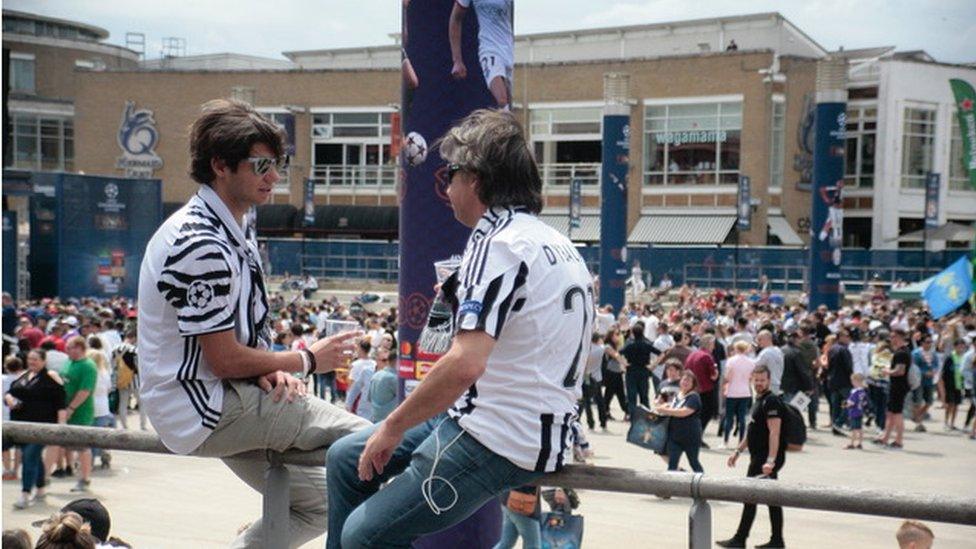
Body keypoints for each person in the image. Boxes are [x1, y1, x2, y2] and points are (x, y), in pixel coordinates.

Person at [325, 109, 593, 548]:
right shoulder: (553, 240)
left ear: (478, 179)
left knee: (364, 536)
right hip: (519, 422)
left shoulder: (498, 244)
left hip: (499, 435)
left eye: (451, 173)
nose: (445, 188)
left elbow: (465, 364)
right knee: (344, 459)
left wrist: (391, 426)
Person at [137, 98, 370, 547]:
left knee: (321, 502)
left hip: (207, 403)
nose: (275, 177)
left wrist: (269, 367)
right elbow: (222, 359)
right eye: (261, 165)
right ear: (220, 165)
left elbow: (231, 342)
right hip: (207, 407)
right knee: (377, 442)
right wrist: (305, 359)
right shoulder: (201, 240)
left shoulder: (227, 226)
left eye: (277, 164)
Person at [717, 365, 787, 549]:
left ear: (769, 380)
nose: (759, 383)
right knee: (768, 499)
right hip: (758, 457)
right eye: (756, 380)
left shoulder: (771, 401)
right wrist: (738, 451)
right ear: (752, 379)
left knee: (754, 497)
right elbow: (753, 430)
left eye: (762, 380)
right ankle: (774, 540)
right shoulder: (759, 400)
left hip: (765, 459)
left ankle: (742, 539)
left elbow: (774, 433)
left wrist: (770, 461)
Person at [6, 349, 65, 509]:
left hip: (42, 427)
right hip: (21, 427)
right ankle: (40, 488)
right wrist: (9, 398)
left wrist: (61, 427)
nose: (32, 362)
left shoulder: (50, 377)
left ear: (44, 361)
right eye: (30, 359)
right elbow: (10, 392)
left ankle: (25, 493)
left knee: (29, 456)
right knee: (34, 458)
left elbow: (61, 402)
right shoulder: (24, 376)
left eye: (36, 359)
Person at [449, 0, 514, 109]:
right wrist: (457, 61)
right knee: (502, 100)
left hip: (508, 49)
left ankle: (501, 123)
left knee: (509, 101)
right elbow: (456, 18)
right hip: (489, 48)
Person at [62, 336, 97, 493]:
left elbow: (85, 391)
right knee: (69, 444)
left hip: (81, 412)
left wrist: (71, 408)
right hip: (65, 409)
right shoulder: (69, 362)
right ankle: (70, 469)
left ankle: (85, 478)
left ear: (79, 348)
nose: (67, 350)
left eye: (70, 347)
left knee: (82, 447)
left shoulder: (88, 366)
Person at [655, 370, 704, 473]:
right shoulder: (678, 395)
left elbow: (684, 412)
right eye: (684, 380)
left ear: (693, 384)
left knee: (693, 462)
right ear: (680, 381)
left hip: (690, 437)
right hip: (675, 436)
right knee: (672, 463)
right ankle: (672, 487)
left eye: (689, 381)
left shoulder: (694, 397)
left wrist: (665, 410)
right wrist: (663, 406)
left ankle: (704, 484)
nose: (685, 382)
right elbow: (673, 407)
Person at [875, 330, 911, 449]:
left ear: (899, 337)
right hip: (896, 386)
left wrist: (887, 371)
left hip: (899, 386)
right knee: (890, 413)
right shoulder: (902, 351)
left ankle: (898, 441)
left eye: (893, 337)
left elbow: (900, 371)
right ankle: (885, 437)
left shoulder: (901, 353)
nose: (891, 339)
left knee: (897, 414)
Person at [620, 321, 658, 419]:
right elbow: (661, 353)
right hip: (644, 370)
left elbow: (618, 353)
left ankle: (633, 417)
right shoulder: (647, 344)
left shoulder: (629, 345)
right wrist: (653, 365)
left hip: (631, 370)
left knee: (632, 397)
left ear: (633, 333)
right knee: (644, 396)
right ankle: (645, 416)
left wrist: (624, 363)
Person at [721, 340, 755, 448]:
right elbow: (751, 377)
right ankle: (741, 441)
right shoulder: (751, 362)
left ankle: (725, 441)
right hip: (745, 391)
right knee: (742, 418)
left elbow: (728, 377)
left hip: (732, 391)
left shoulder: (731, 361)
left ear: (736, 349)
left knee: (729, 418)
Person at [86, 338, 114, 469]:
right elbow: (109, 389)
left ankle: (89, 462)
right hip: (103, 406)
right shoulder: (105, 373)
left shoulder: (89, 373)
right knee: (102, 435)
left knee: (89, 436)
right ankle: (105, 456)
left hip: (90, 406)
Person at [684, 334, 719, 438]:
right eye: (713, 344)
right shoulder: (707, 356)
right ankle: (698, 435)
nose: (714, 347)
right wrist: (716, 372)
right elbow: (713, 376)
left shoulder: (692, 354)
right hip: (705, 389)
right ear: (709, 344)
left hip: (692, 388)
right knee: (706, 413)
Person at [111, 329, 145, 430]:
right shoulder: (134, 350)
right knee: (142, 403)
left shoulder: (114, 349)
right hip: (135, 380)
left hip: (121, 380)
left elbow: (113, 366)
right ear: (133, 338)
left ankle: (124, 426)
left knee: (123, 403)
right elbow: (139, 365)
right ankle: (142, 425)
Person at [827, 329, 854, 435]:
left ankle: (835, 426)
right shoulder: (844, 350)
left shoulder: (832, 348)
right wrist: (852, 378)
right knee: (850, 403)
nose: (848, 338)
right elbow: (848, 366)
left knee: (836, 405)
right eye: (846, 336)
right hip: (844, 381)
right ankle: (838, 423)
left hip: (833, 380)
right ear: (840, 337)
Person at [910, 334, 938, 432]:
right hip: (918, 381)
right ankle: (919, 423)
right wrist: (924, 372)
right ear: (922, 343)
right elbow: (914, 367)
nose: (929, 344)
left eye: (930, 342)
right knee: (917, 401)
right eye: (927, 342)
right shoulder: (916, 353)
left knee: (929, 401)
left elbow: (936, 364)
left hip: (929, 381)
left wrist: (934, 371)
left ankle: (916, 416)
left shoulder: (933, 354)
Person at [581, 333, 608, 431]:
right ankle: (603, 422)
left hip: (586, 377)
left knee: (587, 402)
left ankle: (591, 423)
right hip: (597, 378)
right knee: (600, 401)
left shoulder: (586, 350)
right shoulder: (601, 349)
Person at [345, 340, 376, 421]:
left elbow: (351, 382)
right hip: (368, 396)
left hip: (357, 396)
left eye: (357, 348)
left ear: (361, 349)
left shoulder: (356, 364)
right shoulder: (374, 363)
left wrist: (348, 399)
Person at [602, 327, 628, 419]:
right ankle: (605, 412)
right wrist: (626, 365)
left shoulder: (615, 346)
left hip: (617, 372)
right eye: (616, 334)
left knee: (620, 394)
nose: (618, 336)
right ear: (611, 336)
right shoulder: (607, 346)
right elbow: (616, 356)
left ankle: (627, 411)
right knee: (609, 394)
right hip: (611, 373)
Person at [867, 339, 892, 432]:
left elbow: (872, 365)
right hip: (884, 382)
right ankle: (880, 425)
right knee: (882, 405)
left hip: (873, 380)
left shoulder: (875, 355)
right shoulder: (891, 356)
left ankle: (873, 415)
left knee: (875, 403)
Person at [367, 345, 398, 423]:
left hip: (375, 419)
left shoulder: (375, 375)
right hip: (389, 422)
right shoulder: (394, 379)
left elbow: (369, 398)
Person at [941, 338, 966, 431]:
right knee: (950, 404)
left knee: (956, 405)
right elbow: (944, 372)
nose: (961, 348)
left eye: (962, 346)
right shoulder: (950, 357)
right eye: (959, 346)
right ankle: (946, 422)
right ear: (955, 347)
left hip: (959, 385)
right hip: (950, 384)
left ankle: (952, 423)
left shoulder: (964, 357)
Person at [754, 330, 784, 394]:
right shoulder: (778, 350)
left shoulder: (765, 352)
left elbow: (755, 366)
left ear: (766, 339)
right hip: (777, 382)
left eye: (760, 339)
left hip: (767, 384)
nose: (758, 342)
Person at [843, 373, 868, 449]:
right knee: (859, 428)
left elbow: (852, 402)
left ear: (857, 381)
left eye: (853, 381)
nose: (852, 383)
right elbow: (865, 402)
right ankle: (860, 443)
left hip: (853, 412)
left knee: (853, 429)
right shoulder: (863, 392)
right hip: (860, 412)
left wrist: (845, 405)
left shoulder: (855, 392)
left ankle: (852, 443)